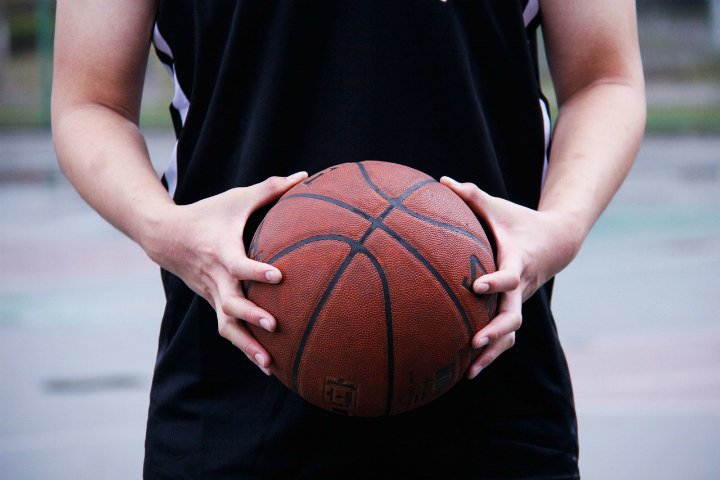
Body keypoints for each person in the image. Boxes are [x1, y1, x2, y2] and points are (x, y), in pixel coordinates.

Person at [52, 0, 645, 478]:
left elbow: (605, 77)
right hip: (234, 381)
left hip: (493, 378)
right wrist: (166, 230)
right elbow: (90, 101)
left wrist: (560, 227)